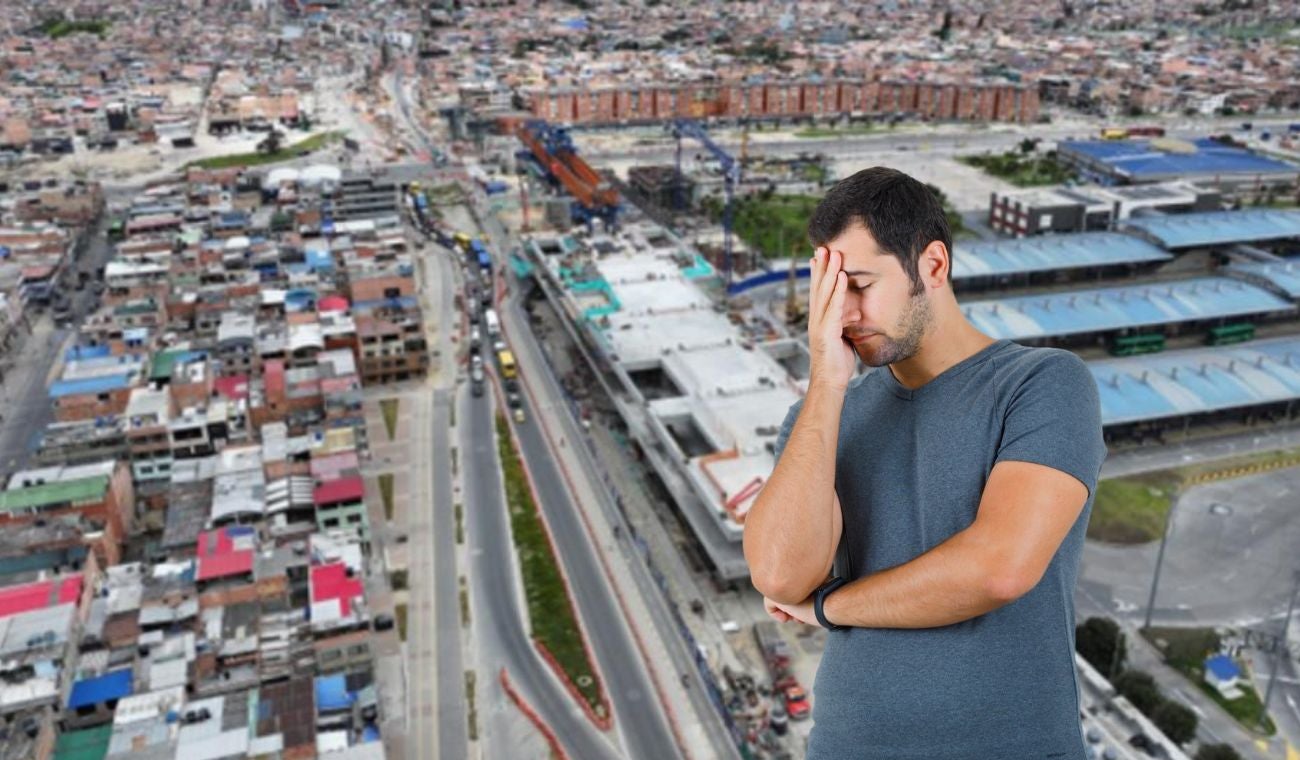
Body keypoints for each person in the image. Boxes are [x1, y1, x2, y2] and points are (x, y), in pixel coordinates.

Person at [742, 167, 1105, 759]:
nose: (844, 314)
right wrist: (827, 384)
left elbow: (999, 569)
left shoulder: (1041, 384)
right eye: (829, 293)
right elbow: (780, 576)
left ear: (932, 265)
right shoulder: (820, 420)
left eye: (858, 285)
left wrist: (831, 607)